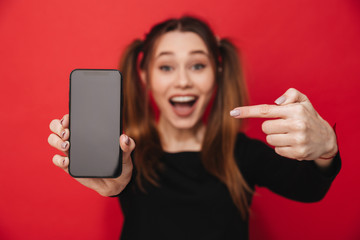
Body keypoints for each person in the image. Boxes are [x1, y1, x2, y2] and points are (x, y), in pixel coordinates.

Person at [47, 16, 341, 240]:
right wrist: (116, 181)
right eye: (166, 67)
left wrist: (327, 148)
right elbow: (117, 180)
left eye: (198, 66)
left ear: (218, 71)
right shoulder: (125, 152)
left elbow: (311, 189)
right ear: (145, 75)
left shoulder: (243, 154)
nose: (183, 81)